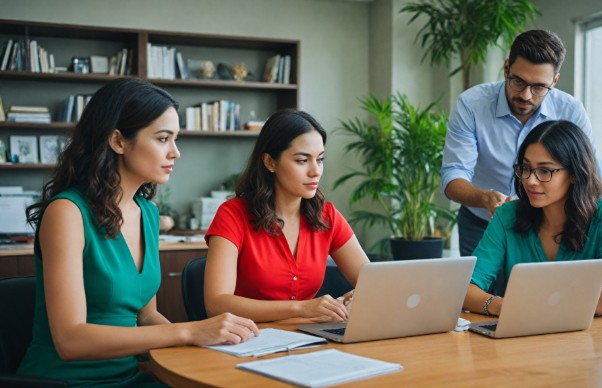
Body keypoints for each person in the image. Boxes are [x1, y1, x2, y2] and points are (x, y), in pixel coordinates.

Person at [18, 78, 259, 386]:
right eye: (163, 139)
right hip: (66, 381)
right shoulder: (67, 213)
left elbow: (146, 317)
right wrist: (189, 331)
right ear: (118, 141)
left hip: (130, 375)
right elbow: (71, 341)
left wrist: (203, 343)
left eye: (176, 139)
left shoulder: (148, 213)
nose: (176, 153)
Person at [440, 29, 602, 258]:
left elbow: (594, 176)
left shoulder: (570, 110)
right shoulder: (471, 105)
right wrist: (486, 198)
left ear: (554, 81)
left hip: (548, 226)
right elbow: (453, 175)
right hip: (482, 223)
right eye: (518, 81)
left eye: (539, 87)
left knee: (537, 293)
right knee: (479, 292)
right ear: (506, 68)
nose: (526, 95)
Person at [204, 109, 370, 323]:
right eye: (302, 160)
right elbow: (216, 305)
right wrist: (301, 308)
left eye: (320, 159)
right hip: (247, 341)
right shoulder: (232, 215)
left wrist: (360, 297)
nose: (316, 171)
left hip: (309, 340)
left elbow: (372, 282)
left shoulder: (327, 215)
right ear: (270, 162)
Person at [462, 120, 602, 317]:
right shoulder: (507, 215)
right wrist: (499, 305)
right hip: (524, 337)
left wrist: (525, 305)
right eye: (526, 168)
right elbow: (465, 290)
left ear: (575, 174)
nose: (530, 181)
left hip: (593, 340)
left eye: (544, 170)